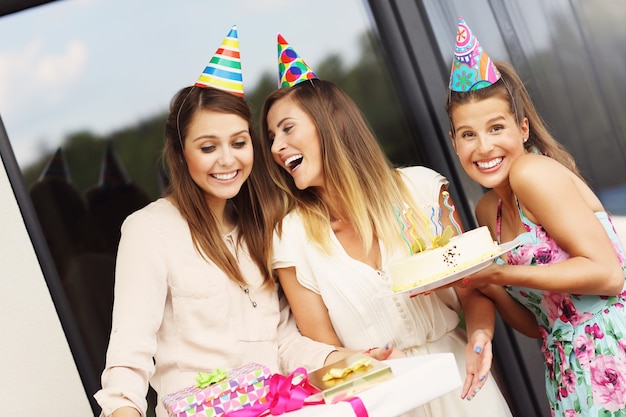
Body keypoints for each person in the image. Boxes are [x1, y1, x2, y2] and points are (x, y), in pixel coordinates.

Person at [93, 27, 395, 417]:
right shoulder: (149, 230)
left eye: (238, 142)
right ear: (181, 154)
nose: (227, 160)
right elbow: (128, 360)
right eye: (208, 147)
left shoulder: (260, 226)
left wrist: (347, 358)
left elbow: (283, 342)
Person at [258, 34, 513, 417]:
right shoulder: (290, 238)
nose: (277, 147)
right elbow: (324, 352)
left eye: (287, 129)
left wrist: (480, 335)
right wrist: (366, 363)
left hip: (461, 386)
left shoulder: (424, 190)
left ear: (331, 123)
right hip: (381, 400)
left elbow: (471, 289)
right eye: (272, 136)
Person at [446, 17, 626, 416]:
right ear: (454, 142)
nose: (484, 146)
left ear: (523, 128)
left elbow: (608, 275)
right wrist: (486, 284)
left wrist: (500, 275)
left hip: (614, 350)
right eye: (468, 134)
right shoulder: (486, 211)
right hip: (567, 369)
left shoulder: (532, 173)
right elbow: (541, 323)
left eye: (496, 127)